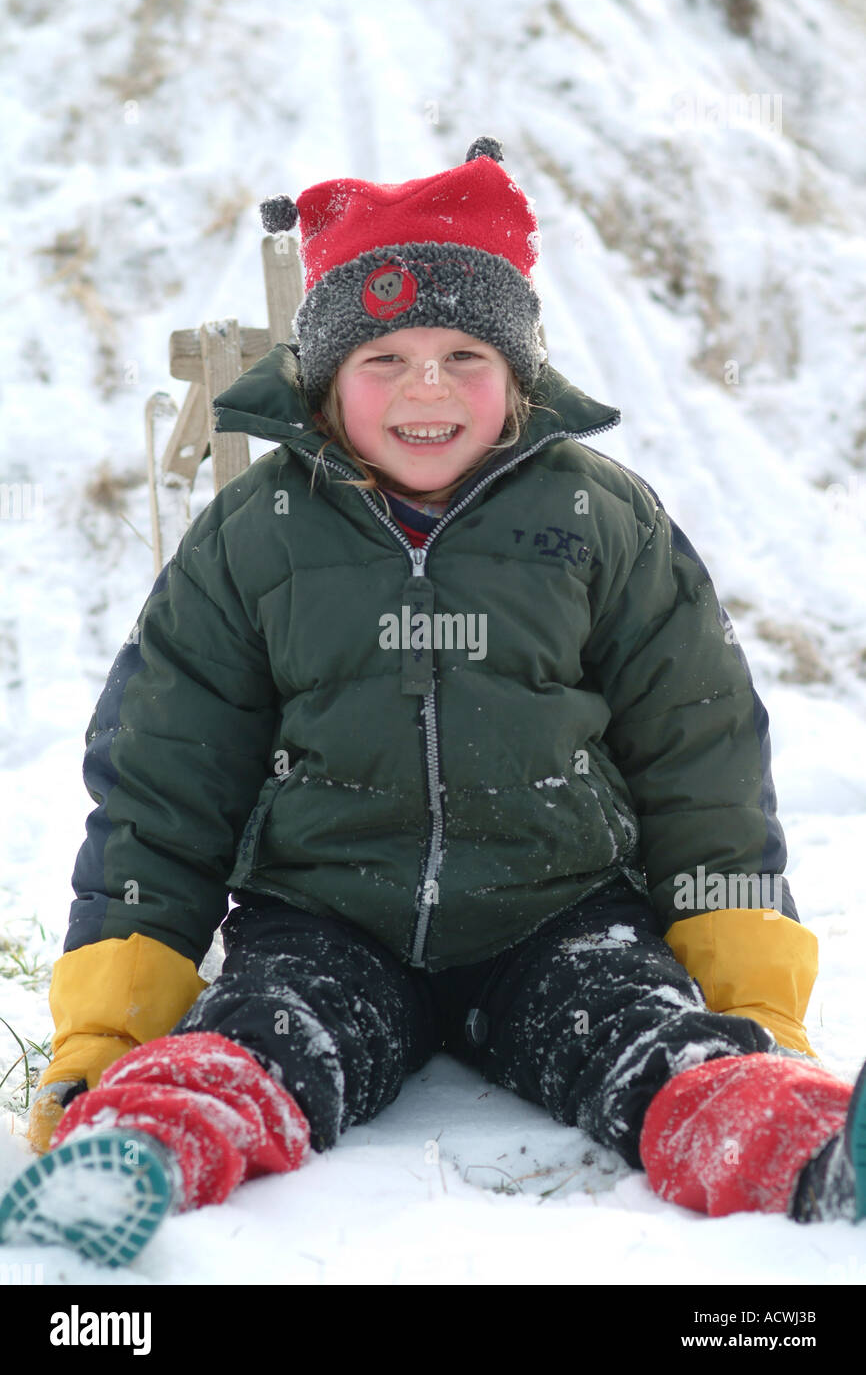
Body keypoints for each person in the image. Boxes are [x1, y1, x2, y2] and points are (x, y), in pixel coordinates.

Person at [1, 137, 863, 1271]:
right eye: (384, 356)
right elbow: (163, 788)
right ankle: (138, 1146)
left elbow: (697, 758)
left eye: (464, 353)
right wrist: (101, 1037)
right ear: (320, 377)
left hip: (556, 912)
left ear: (517, 372)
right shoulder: (252, 540)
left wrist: (762, 1008)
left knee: (649, 1043)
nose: (426, 387)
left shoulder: (601, 523)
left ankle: (803, 1142)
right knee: (261, 1042)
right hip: (324, 917)